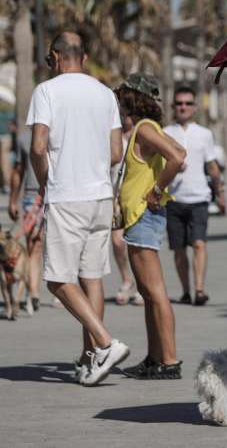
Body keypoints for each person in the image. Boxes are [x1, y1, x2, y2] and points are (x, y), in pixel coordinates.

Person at [27, 31, 130, 386]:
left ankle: (105, 343)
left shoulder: (47, 91)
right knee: (91, 276)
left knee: (58, 279)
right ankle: (92, 359)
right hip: (100, 195)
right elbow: (116, 153)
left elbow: (38, 147)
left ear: (55, 57)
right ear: (83, 58)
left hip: (66, 195)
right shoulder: (104, 93)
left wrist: (44, 182)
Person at [115, 73, 186, 380]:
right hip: (140, 217)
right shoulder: (150, 128)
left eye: (122, 96)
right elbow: (178, 152)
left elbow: (178, 156)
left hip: (143, 215)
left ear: (133, 99)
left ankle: (168, 361)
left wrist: (156, 189)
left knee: (155, 292)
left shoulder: (144, 128)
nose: (118, 102)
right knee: (147, 292)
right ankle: (155, 357)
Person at [163, 86, 225, 306]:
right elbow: (157, 165)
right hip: (173, 199)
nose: (183, 107)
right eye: (179, 103)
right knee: (179, 249)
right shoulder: (165, 133)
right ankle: (185, 290)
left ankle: (199, 289)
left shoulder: (204, 134)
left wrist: (221, 194)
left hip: (199, 197)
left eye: (188, 103)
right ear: (173, 106)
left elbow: (212, 166)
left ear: (195, 107)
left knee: (199, 244)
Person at [8, 127, 44, 313]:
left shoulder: (60, 132)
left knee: (44, 245)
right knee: (34, 246)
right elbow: (18, 170)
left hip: (57, 195)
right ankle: (34, 293)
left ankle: (39, 291)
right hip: (32, 196)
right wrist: (13, 200)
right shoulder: (24, 138)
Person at [111, 124, 144, 306]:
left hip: (136, 195)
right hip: (115, 196)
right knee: (117, 241)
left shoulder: (142, 131)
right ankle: (126, 279)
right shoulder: (110, 132)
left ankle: (141, 284)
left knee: (137, 242)